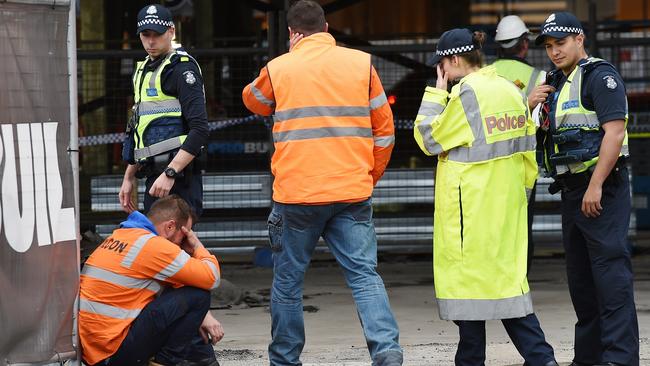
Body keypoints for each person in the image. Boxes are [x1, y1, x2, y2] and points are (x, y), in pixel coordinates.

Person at [241, 1, 402, 365]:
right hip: (351, 193)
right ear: (327, 27)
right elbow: (385, 131)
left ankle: (284, 359)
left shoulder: (279, 67)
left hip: (296, 196)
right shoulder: (361, 64)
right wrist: (369, 174)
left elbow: (253, 101)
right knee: (364, 277)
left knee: (288, 283)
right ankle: (387, 351)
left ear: (292, 33)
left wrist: (286, 61)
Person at [413, 28, 558, 366]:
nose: (442, 72)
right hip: (505, 215)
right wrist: (516, 200)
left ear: (452, 60)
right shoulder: (510, 91)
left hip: (470, 218)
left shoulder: (466, 95)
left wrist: (436, 93)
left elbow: (428, 139)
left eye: (442, 66)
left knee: (472, 295)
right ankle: (541, 359)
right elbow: (527, 157)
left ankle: (486, 362)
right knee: (506, 291)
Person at [533, 12, 639, 366]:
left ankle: (620, 359)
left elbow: (614, 133)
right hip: (571, 190)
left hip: (602, 190)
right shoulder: (555, 81)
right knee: (582, 283)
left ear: (579, 38)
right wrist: (529, 105)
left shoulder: (600, 77)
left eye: (560, 43)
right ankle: (589, 358)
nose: (554, 52)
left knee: (611, 281)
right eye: (549, 46)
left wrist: (595, 186)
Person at [79, 195, 223, 366]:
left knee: (181, 292)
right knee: (198, 296)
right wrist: (197, 246)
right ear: (170, 226)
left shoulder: (120, 236)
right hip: (114, 352)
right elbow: (211, 277)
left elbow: (177, 283)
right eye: (184, 235)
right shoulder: (154, 246)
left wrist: (203, 315)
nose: (183, 242)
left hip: (95, 352)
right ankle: (165, 362)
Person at [119, 4, 209, 216]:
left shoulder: (182, 70)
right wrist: (128, 176)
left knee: (180, 245)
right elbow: (139, 127)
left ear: (171, 31)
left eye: (157, 34)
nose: (151, 41)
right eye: (145, 34)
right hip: (155, 177)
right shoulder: (146, 70)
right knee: (163, 248)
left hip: (178, 180)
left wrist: (170, 172)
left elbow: (200, 130)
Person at [492, 15, 550, 273]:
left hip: (488, 162)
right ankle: (519, 276)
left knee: (492, 220)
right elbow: (543, 122)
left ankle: (494, 275)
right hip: (523, 164)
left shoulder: (485, 74)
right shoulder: (539, 77)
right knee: (521, 220)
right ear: (524, 44)